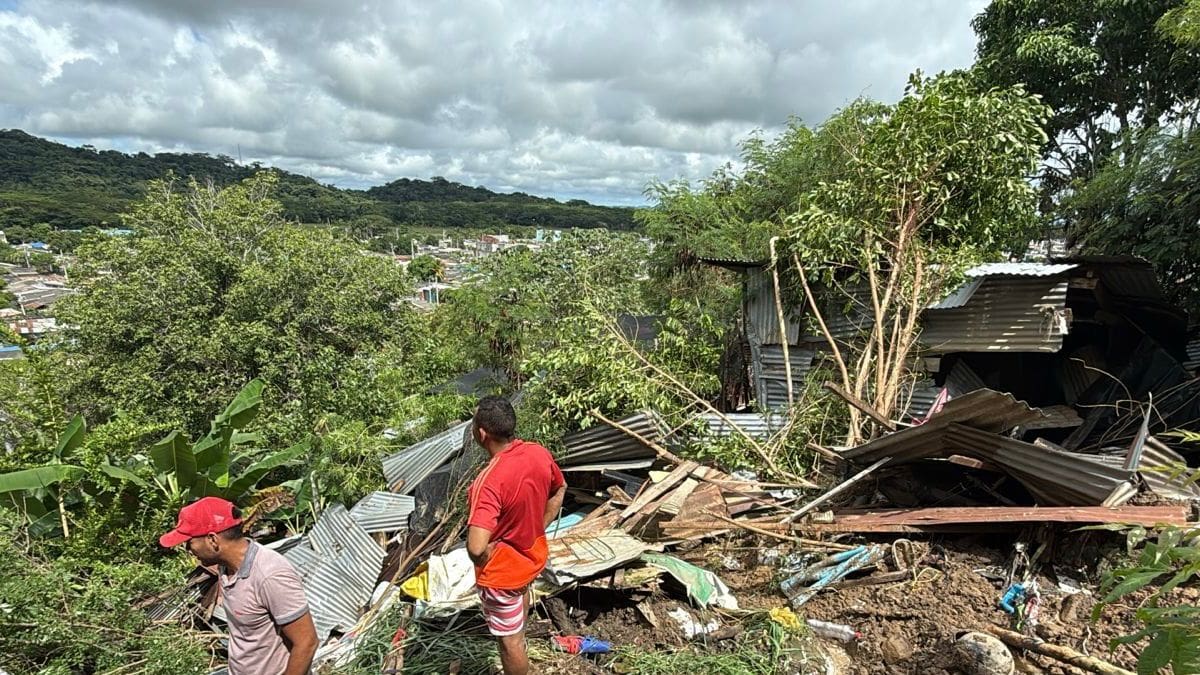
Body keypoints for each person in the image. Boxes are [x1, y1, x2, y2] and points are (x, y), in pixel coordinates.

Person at [160, 496, 318, 675]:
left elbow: (307, 642)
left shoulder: (269, 575)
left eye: (189, 543)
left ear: (213, 540)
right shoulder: (225, 567)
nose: (188, 550)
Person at [466, 396, 567, 675]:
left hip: (503, 574)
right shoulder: (537, 453)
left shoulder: (489, 481)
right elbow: (560, 488)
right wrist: (537, 527)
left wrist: (489, 554)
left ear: (482, 433)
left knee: (510, 643)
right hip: (531, 559)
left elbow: (476, 548)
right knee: (517, 621)